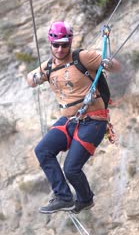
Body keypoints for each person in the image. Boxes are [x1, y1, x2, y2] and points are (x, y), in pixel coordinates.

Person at [26, 21, 121, 214]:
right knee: (42, 150)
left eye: (64, 45)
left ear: (70, 42)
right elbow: (30, 78)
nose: (60, 49)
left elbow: (115, 66)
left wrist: (108, 63)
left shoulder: (83, 57)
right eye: (56, 45)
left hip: (93, 121)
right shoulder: (49, 66)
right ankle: (63, 197)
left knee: (71, 169)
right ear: (50, 44)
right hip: (69, 121)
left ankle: (85, 199)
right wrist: (35, 78)